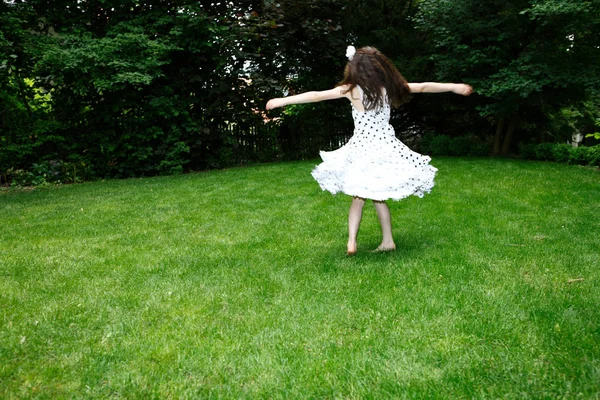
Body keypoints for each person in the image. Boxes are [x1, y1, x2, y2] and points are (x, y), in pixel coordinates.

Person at [266, 46, 472, 255]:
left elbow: (317, 95)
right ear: (379, 69)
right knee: (377, 197)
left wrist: (282, 101)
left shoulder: (350, 90)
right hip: (384, 149)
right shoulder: (387, 89)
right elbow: (423, 87)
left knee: (358, 197)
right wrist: (454, 87)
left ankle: (353, 242)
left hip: (361, 149)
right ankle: (386, 240)